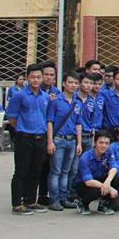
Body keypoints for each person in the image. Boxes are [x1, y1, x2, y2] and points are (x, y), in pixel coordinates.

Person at [6, 63, 50, 215]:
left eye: (38, 77)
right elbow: (12, 118)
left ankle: (31, 200)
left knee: (36, 171)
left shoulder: (45, 96)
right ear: (27, 78)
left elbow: (46, 116)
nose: (35, 80)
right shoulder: (19, 95)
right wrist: (23, 128)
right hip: (24, 137)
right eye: (32, 77)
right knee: (21, 171)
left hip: (40, 137)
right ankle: (17, 204)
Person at [45, 72, 83, 211]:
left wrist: (79, 143)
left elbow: (78, 123)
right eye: (70, 82)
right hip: (58, 139)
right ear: (64, 84)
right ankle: (54, 199)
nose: (73, 85)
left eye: (76, 83)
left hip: (72, 141)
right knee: (56, 171)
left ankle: (63, 198)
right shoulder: (55, 100)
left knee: (66, 171)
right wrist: (50, 142)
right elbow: (50, 121)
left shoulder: (77, 102)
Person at [74, 133, 119, 215]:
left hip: (99, 179)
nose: (104, 146)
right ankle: (82, 203)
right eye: (101, 142)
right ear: (94, 143)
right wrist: (109, 188)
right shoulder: (85, 157)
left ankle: (103, 204)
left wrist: (108, 181)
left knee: (115, 177)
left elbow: (114, 167)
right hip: (84, 184)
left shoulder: (108, 151)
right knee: (96, 190)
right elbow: (88, 181)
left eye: (107, 143)